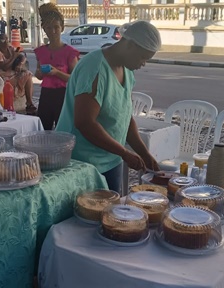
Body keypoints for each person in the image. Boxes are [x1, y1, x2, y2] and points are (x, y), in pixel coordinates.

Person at [55, 21, 161, 192]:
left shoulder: (127, 70)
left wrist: (144, 153)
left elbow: (125, 117)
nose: (143, 64)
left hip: (111, 159)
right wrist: (125, 153)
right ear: (130, 45)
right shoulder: (95, 68)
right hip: (83, 163)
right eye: (143, 57)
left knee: (112, 213)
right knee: (89, 215)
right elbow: (84, 123)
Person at [34, 3, 79, 130]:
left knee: (63, 130)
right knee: (44, 129)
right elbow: (38, 75)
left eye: (56, 27)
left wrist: (57, 73)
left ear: (62, 27)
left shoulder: (70, 52)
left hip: (63, 95)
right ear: (44, 29)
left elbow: (75, 79)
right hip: (46, 95)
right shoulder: (41, 51)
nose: (52, 32)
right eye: (48, 28)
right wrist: (39, 73)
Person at [0, 33, 36, 114]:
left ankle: (29, 103)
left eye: (6, 39)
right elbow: (4, 67)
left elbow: (22, 56)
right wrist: (14, 57)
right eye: (3, 40)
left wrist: (20, 64)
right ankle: (24, 103)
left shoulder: (11, 48)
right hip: (2, 75)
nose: (6, 42)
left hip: (13, 72)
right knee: (16, 78)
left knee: (28, 74)